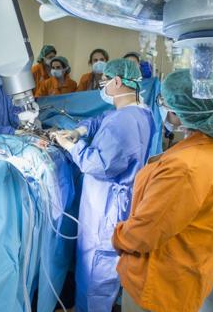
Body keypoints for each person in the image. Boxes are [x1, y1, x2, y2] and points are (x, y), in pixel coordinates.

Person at [113, 70, 213, 312]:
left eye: (167, 102)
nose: (164, 107)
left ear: (189, 110)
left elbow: (145, 234)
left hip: (158, 288)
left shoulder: (185, 167)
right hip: (188, 277)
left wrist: (118, 236)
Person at [52, 59, 155, 312]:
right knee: (98, 273)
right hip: (114, 203)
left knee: (96, 276)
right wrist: (79, 131)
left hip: (105, 211)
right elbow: (101, 119)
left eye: (104, 81)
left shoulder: (124, 122)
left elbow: (99, 164)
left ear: (117, 81)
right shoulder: (140, 112)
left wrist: (71, 145)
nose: (103, 87)